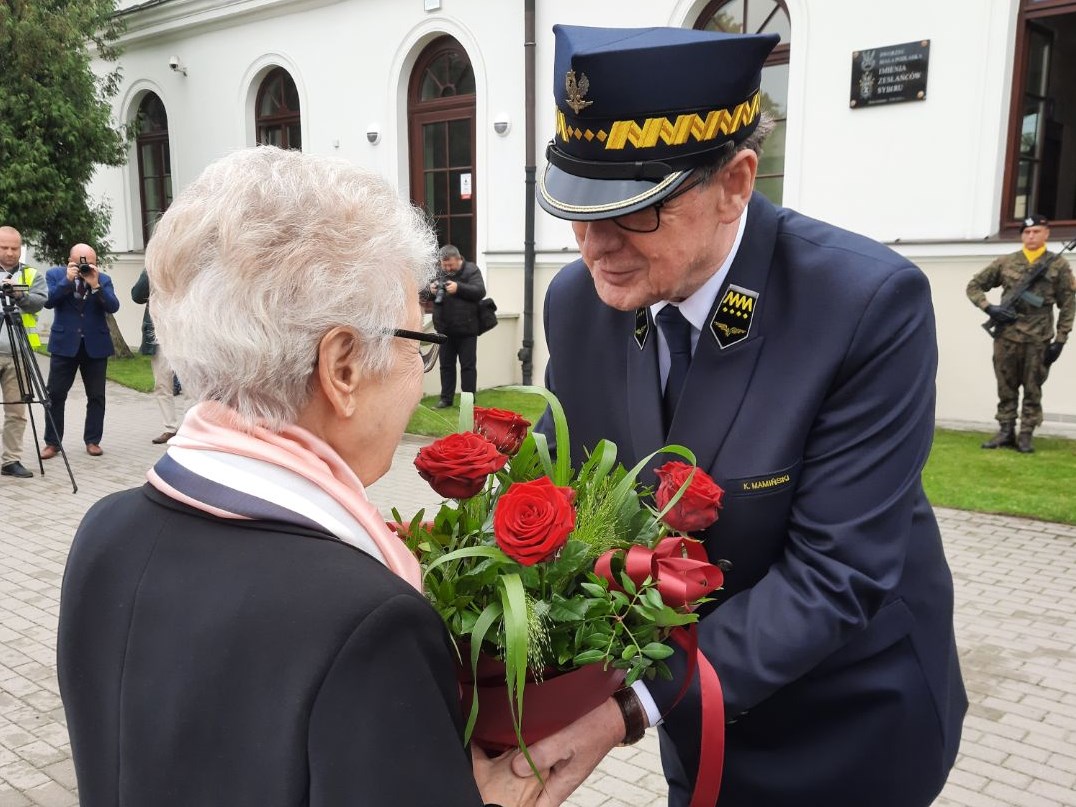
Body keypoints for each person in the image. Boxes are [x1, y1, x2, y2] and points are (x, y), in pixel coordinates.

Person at [513, 25, 967, 807]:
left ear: (736, 181)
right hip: (697, 718)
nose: (595, 247)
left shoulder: (862, 305)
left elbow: (838, 572)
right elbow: (563, 497)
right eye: (578, 210)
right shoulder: (577, 304)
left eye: (636, 210)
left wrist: (627, 707)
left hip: (847, 722)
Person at [56, 147, 543, 807]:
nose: (416, 374)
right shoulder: (367, 621)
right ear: (341, 366)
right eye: (415, 344)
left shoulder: (104, 531)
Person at [966, 214, 1074, 453]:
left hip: (1038, 338)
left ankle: (1026, 434)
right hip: (1006, 336)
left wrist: (1061, 339)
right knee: (1006, 386)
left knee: (1033, 387)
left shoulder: (1058, 265)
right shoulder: (1006, 262)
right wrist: (989, 307)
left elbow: (1067, 304)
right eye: (1027, 232)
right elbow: (974, 286)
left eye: (1036, 231)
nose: (1031, 236)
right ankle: (1005, 431)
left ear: (1046, 234)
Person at [41, 244, 120, 458]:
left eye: (90, 263)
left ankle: (93, 440)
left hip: (95, 346)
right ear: (70, 260)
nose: (85, 267)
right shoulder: (55, 274)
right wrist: (67, 280)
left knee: (96, 396)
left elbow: (113, 306)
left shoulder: (103, 279)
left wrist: (96, 286)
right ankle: (52, 442)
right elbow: (48, 301)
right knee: (55, 395)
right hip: (64, 345)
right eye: (80, 263)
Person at [0, 226, 47, 478]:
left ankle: (11, 460)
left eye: (14, 248)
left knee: (17, 410)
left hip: (19, 352)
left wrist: (18, 294)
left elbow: (40, 301)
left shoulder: (31, 274)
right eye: (4, 247)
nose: (9, 253)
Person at [425, 244, 485, 407]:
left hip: (467, 329)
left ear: (459, 259)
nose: (447, 268)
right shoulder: (438, 272)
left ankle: (468, 401)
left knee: (468, 367)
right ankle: (446, 399)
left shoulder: (471, 270)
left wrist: (458, 288)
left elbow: (480, 291)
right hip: (444, 330)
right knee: (446, 367)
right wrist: (430, 289)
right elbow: (422, 293)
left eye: (450, 265)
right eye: (444, 265)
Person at [131, 268, 180, 444]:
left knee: (194, 385)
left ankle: (195, 427)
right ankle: (170, 428)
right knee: (162, 384)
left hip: (186, 335)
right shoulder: (152, 269)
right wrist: (150, 269)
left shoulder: (185, 261)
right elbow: (137, 295)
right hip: (159, 336)